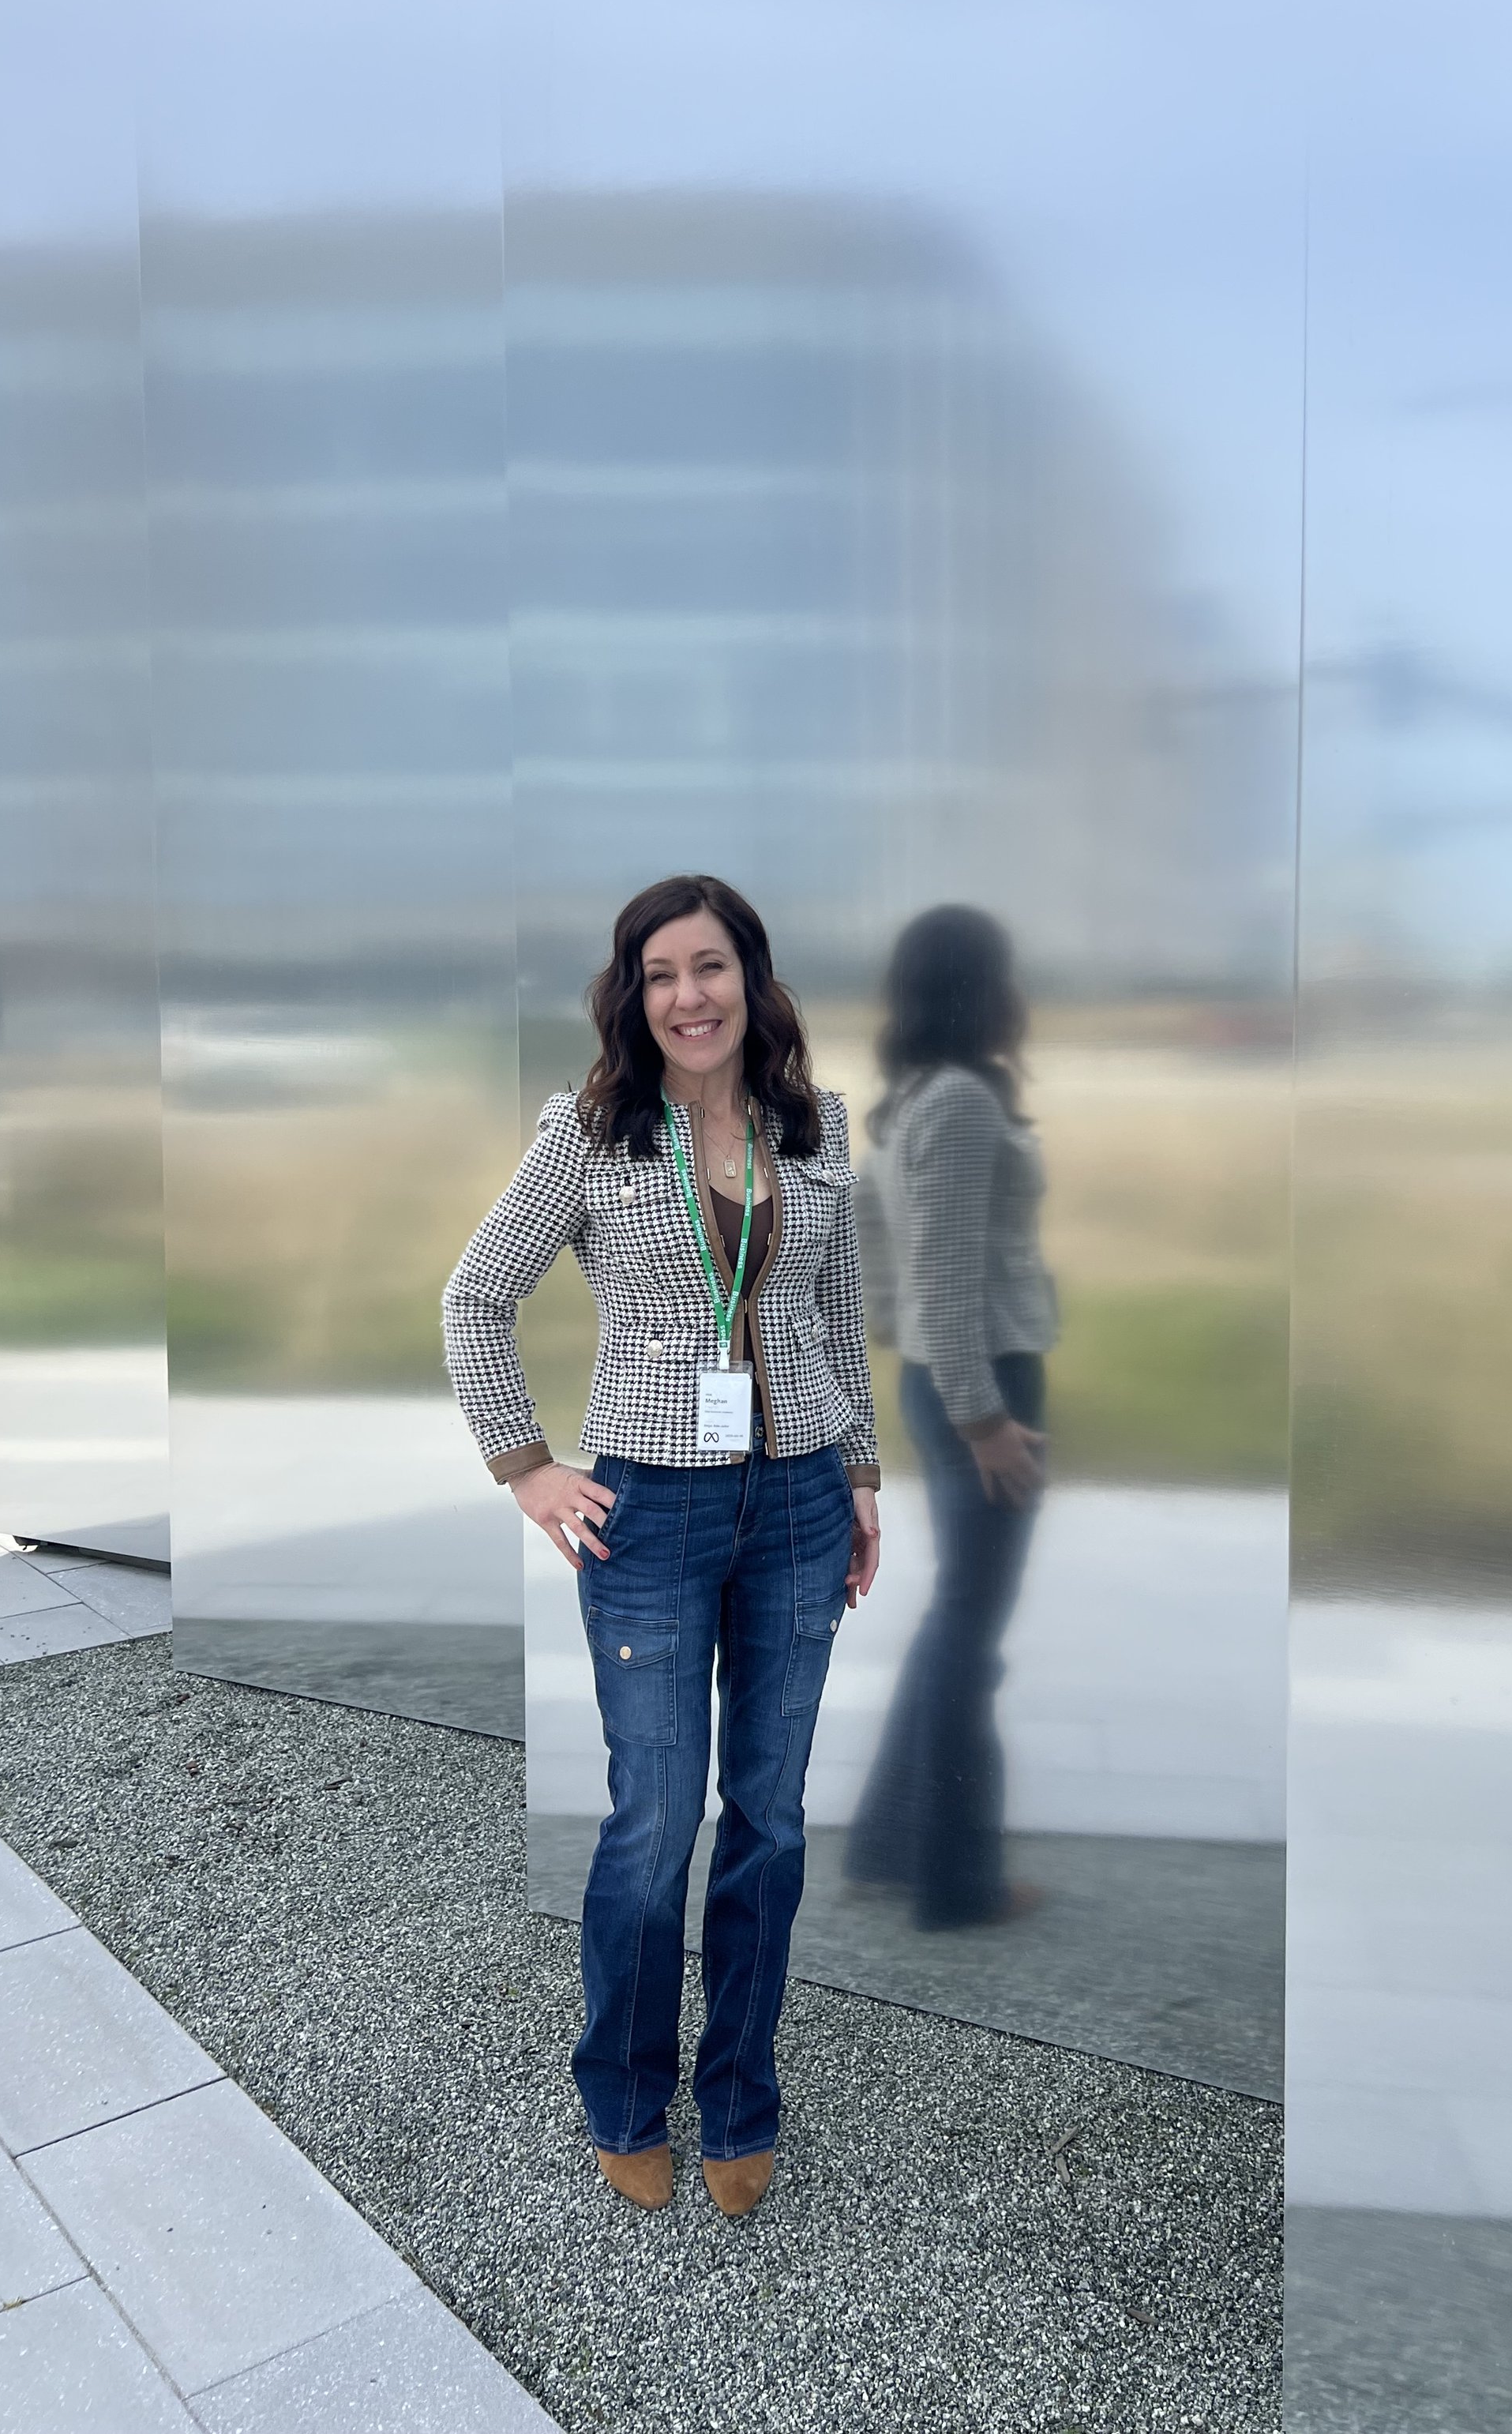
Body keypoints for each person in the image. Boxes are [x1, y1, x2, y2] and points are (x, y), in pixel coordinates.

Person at [443, 874, 881, 2216]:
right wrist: (527, 1468)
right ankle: (626, 2093)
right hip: (653, 1514)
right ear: (633, 996)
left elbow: (841, 1318)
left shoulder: (816, 1126)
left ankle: (742, 2093)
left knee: (769, 1820)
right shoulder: (589, 1133)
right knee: (652, 1820)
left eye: (709, 967)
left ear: (753, 975)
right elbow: (475, 1299)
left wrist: (859, 1471)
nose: (687, 996)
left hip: (800, 1502)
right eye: (658, 974)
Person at [845, 905, 1056, 1929]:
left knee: (954, 1622)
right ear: (985, 986)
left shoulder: (916, 1099)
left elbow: (870, 1230)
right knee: (973, 1632)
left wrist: (905, 1340)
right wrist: (983, 1415)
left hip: (945, 1379)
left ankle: (892, 1844)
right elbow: (942, 1265)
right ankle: (957, 1881)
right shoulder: (964, 1101)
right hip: (985, 1384)